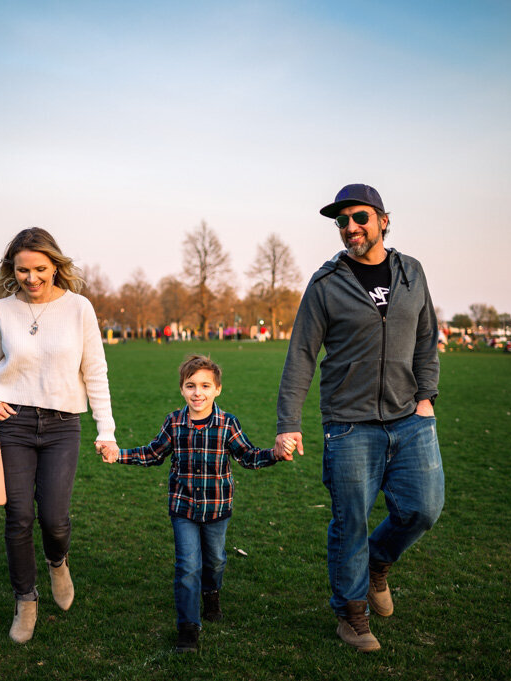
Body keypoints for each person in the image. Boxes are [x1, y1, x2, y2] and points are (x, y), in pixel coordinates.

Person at [274, 184, 445, 653]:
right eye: (342, 220)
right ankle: (351, 616)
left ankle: (377, 563)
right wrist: (289, 421)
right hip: (349, 424)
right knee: (350, 521)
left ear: (383, 220)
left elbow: (427, 337)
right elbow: (302, 354)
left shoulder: (413, 273)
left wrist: (427, 397)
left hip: (410, 417)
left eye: (360, 218)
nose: (351, 227)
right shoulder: (326, 282)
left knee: (423, 509)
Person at [99, 355, 293, 653]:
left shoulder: (228, 424)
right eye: (191, 386)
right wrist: (118, 454)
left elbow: (248, 456)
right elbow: (153, 454)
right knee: (187, 566)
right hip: (183, 508)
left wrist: (276, 454)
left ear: (218, 389)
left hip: (217, 507)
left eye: (205, 385)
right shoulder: (174, 422)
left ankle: (211, 592)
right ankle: (188, 628)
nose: (197, 392)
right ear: (181, 389)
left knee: (214, 561)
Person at [0, 227, 117, 644]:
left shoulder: (79, 308)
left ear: (56, 265)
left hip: (62, 427)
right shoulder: (1, 310)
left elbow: (95, 370)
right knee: (18, 517)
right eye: (23, 270)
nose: (32, 278)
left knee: (54, 518)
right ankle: (25, 599)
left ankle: (58, 561)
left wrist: (105, 429)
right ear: (12, 270)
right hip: (14, 424)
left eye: (40, 268)